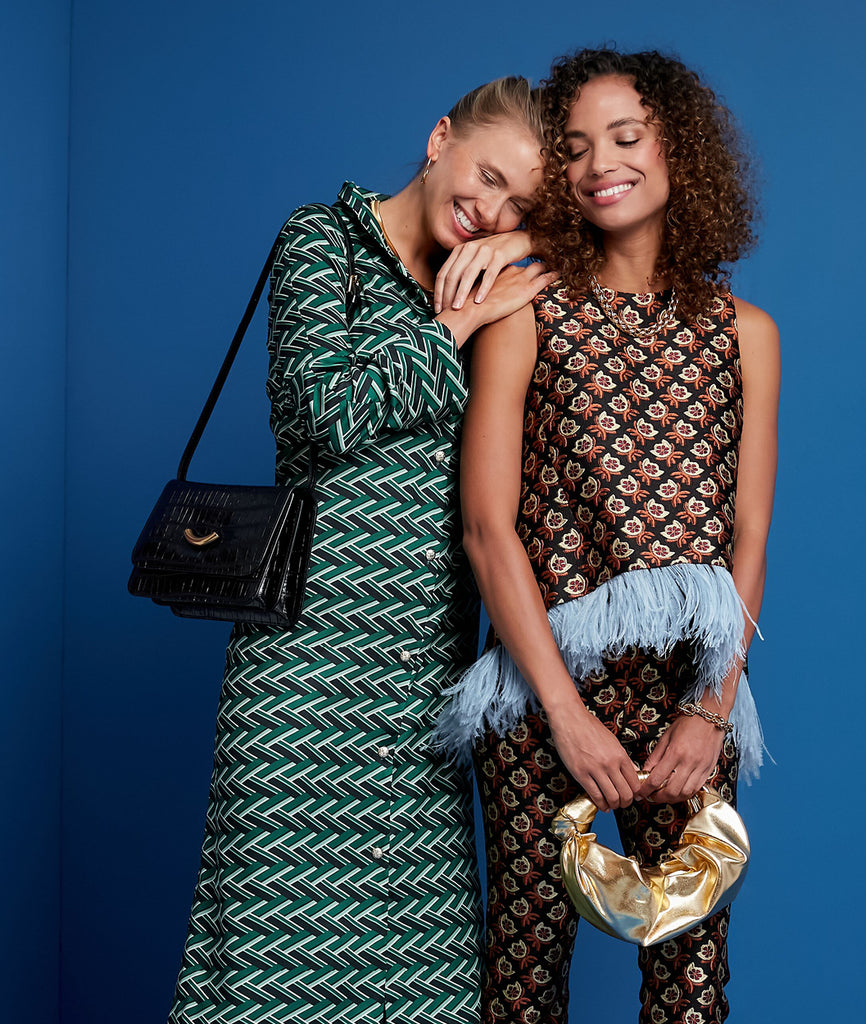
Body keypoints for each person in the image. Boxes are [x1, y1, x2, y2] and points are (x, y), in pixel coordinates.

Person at [166, 76, 555, 1024]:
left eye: (518, 202)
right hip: (300, 674)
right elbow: (321, 413)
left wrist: (527, 243)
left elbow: (607, 254)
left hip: (423, 676)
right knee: (264, 964)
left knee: (419, 981)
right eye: (486, 176)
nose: (489, 207)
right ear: (439, 139)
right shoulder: (323, 239)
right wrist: (457, 325)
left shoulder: (500, 264)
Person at [436, 49, 780, 1023]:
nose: (599, 164)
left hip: (687, 695)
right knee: (524, 974)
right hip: (547, 696)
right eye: (575, 147)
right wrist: (564, 714)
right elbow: (486, 527)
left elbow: (749, 533)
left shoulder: (744, 330)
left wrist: (709, 712)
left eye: (625, 138)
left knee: (691, 983)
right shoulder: (528, 315)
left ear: (678, 149)